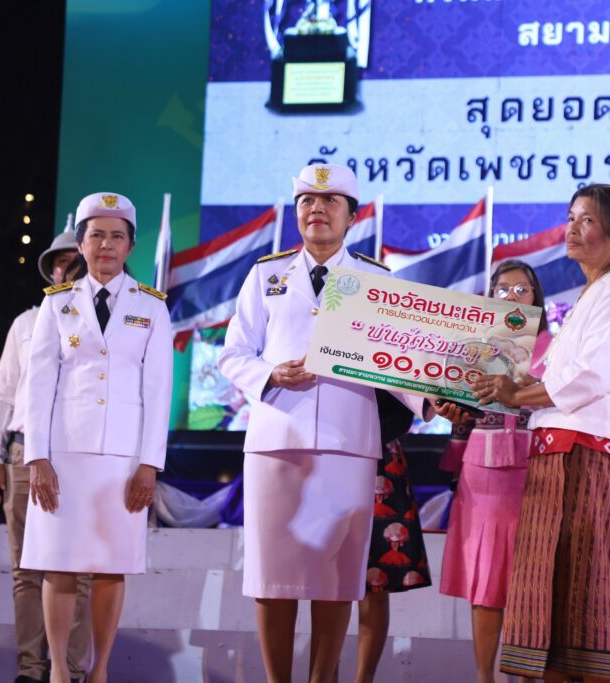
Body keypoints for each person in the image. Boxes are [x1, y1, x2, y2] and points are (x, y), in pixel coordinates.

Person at [218, 164, 431, 683]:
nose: (317, 209)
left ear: (352, 216)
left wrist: (433, 399)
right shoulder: (265, 276)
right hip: (276, 442)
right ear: (296, 213)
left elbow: (398, 363)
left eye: (330, 200)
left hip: (348, 445)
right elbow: (233, 353)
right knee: (272, 577)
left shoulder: (376, 280)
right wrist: (270, 373)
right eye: (307, 201)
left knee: (337, 578)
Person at [472, 184, 610, 681]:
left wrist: (517, 395)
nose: (573, 228)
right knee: (549, 599)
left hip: (589, 454)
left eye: (587, 220)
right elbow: (553, 378)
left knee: (581, 597)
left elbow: (590, 377)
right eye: (571, 217)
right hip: (559, 452)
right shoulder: (593, 294)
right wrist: (489, 389)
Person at [20, 192, 173, 683]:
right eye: (97, 235)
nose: (106, 244)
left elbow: (159, 390)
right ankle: (59, 671)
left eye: (116, 236)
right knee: (59, 563)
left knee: (111, 566)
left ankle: (100, 670)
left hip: (123, 459)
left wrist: (149, 463)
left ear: (130, 246)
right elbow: (38, 384)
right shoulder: (57, 303)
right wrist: (37, 457)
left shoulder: (152, 307)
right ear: (81, 244)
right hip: (63, 456)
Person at [0, 227, 93, 683]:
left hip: (81, 457)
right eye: (60, 262)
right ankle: (31, 669)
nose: (68, 268)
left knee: (79, 570)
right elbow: (2, 393)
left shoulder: (103, 322)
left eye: (75, 261)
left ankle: (72, 670)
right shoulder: (26, 323)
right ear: (50, 271)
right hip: (24, 454)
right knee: (26, 571)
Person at [438, 259, 551, 683]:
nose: (512, 297)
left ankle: (527, 676)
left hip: (538, 471)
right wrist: (448, 408)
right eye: (503, 290)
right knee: (486, 582)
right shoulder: (471, 346)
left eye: (522, 290)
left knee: (531, 581)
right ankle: (484, 676)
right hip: (482, 474)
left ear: (537, 297)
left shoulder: (556, 347)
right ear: (489, 296)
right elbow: (454, 406)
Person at [338, 392, 431, 683]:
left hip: (379, 455)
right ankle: (325, 675)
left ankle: (363, 678)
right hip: (326, 455)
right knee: (327, 581)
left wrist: (363, 438)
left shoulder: (383, 357)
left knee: (376, 581)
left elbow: (402, 412)